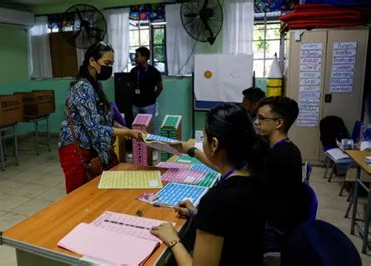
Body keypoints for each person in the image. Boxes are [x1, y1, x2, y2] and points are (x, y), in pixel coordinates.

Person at [150, 103, 266, 266]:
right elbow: (234, 226)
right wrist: (199, 214)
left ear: (214, 145)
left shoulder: (217, 200)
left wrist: (173, 240)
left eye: (204, 137)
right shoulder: (258, 175)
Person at [58, 42, 145, 193]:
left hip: (91, 150)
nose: (109, 68)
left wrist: (124, 128)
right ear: (92, 61)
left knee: (94, 195)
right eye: (106, 63)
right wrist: (127, 133)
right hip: (77, 151)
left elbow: (106, 119)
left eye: (111, 64)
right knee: (79, 197)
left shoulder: (94, 85)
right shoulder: (82, 88)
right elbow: (95, 128)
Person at [254, 96, 306, 252]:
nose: (256, 122)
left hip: (274, 230)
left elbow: (252, 193)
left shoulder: (280, 156)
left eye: (261, 118)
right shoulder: (286, 148)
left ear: (278, 123)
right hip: (278, 221)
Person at [130, 46, 163, 132]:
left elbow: (160, 87)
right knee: (137, 129)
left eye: (137, 56)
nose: (135, 58)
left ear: (144, 57)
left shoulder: (154, 71)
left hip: (149, 105)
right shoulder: (133, 71)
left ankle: (151, 145)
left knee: (150, 129)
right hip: (136, 105)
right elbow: (130, 86)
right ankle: (140, 146)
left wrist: (152, 98)